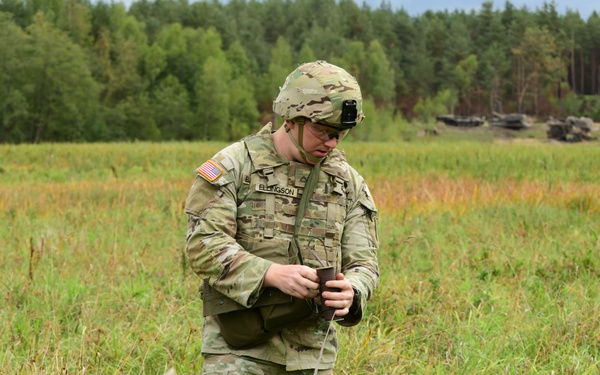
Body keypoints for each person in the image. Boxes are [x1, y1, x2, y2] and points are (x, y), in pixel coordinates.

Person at [184, 60, 379, 374]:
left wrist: (353, 291)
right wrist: (270, 273)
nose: (332, 143)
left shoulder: (347, 183)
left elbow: (364, 263)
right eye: (323, 131)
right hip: (238, 352)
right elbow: (203, 246)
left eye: (340, 134)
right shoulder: (234, 166)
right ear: (292, 117)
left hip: (313, 355)